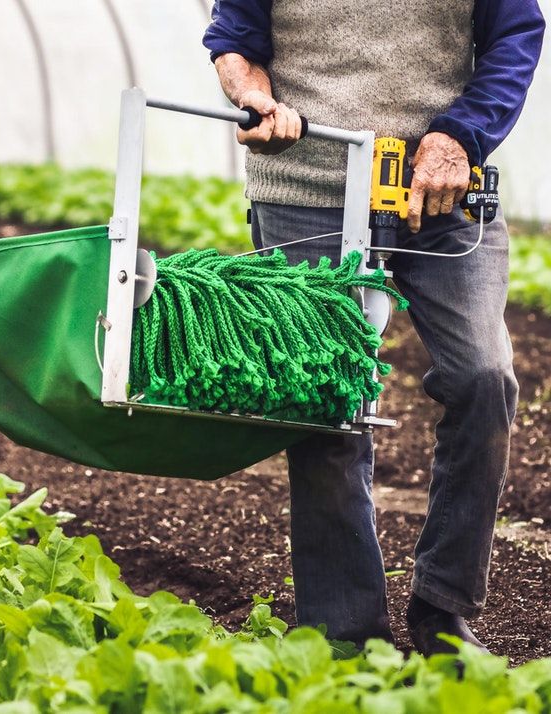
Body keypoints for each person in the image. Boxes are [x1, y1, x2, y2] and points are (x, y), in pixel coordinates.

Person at [203, 1, 545, 654]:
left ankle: (443, 610)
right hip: (308, 186)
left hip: (441, 189)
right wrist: (256, 98)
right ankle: (345, 638)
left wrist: (459, 136)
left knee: (484, 376)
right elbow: (235, 41)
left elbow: (515, 35)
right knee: (331, 402)